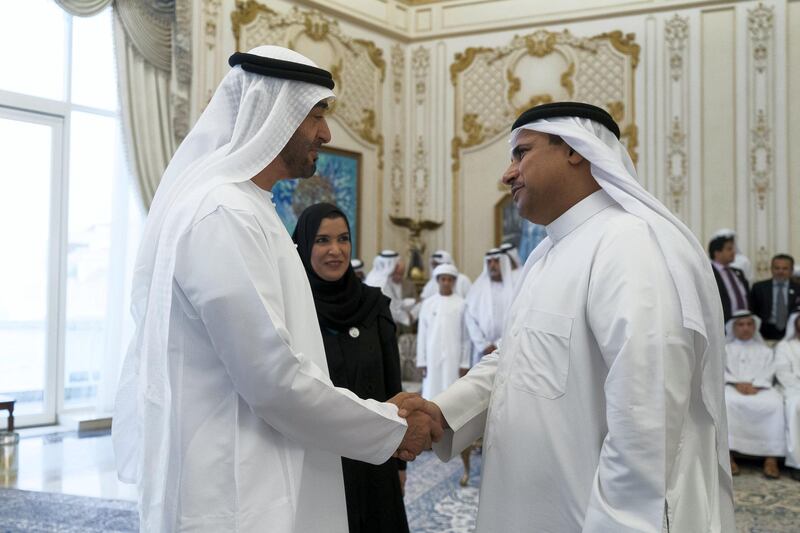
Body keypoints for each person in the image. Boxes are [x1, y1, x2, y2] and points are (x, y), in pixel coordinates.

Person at [112, 46, 439, 533]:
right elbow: (272, 377)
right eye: (316, 114)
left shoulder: (251, 208)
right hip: (236, 489)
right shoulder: (223, 214)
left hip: (268, 471)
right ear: (272, 112)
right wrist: (387, 426)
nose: (325, 133)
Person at [397, 101, 735, 531]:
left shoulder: (628, 245)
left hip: (588, 513)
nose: (507, 174)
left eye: (522, 153)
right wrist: (443, 415)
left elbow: (647, 414)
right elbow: (516, 359)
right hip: (526, 502)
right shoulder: (546, 253)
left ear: (575, 149)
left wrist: (618, 523)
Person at [292, 203, 409, 533]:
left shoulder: (375, 307)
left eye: (343, 239)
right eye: (322, 241)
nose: (335, 250)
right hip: (318, 463)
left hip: (374, 460)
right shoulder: (292, 310)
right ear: (302, 246)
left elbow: (393, 388)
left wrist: (400, 465)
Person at [724, 311, 784, 478]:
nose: (745, 328)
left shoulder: (765, 350)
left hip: (760, 388)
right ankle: (728, 456)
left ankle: (771, 458)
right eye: (741, 324)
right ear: (733, 327)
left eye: (749, 324)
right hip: (732, 387)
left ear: (755, 327)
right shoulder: (725, 348)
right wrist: (737, 383)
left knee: (775, 405)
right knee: (727, 403)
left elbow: (770, 371)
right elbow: (719, 371)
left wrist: (756, 385)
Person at [464, 249, 514, 366]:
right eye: (489, 262)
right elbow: (470, 319)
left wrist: (498, 344)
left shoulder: (514, 289)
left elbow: (516, 317)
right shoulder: (477, 289)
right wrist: (483, 345)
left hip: (506, 348)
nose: (492, 265)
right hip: (482, 351)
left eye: (496, 261)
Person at [750, 254, 800, 340]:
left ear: (791, 270)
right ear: (771, 269)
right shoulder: (759, 287)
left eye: (785, 268)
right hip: (764, 333)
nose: (780, 271)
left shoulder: (798, 289)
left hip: (791, 333)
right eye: (777, 268)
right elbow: (753, 311)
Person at [775, 310, 800, 480]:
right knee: (795, 407)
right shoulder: (785, 346)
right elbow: (783, 373)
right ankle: (797, 463)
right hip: (793, 389)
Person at [365, 251, 417, 326]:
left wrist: (411, 302)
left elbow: (395, 303)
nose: (396, 268)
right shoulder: (382, 282)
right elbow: (391, 308)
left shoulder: (373, 276)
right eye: (395, 265)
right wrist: (407, 318)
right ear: (390, 264)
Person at [710, 234, 751, 323]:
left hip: (744, 325)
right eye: (729, 249)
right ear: (717, 252)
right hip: (722, 324)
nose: (733, 252)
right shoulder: (709, 273)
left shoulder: (738, 273)